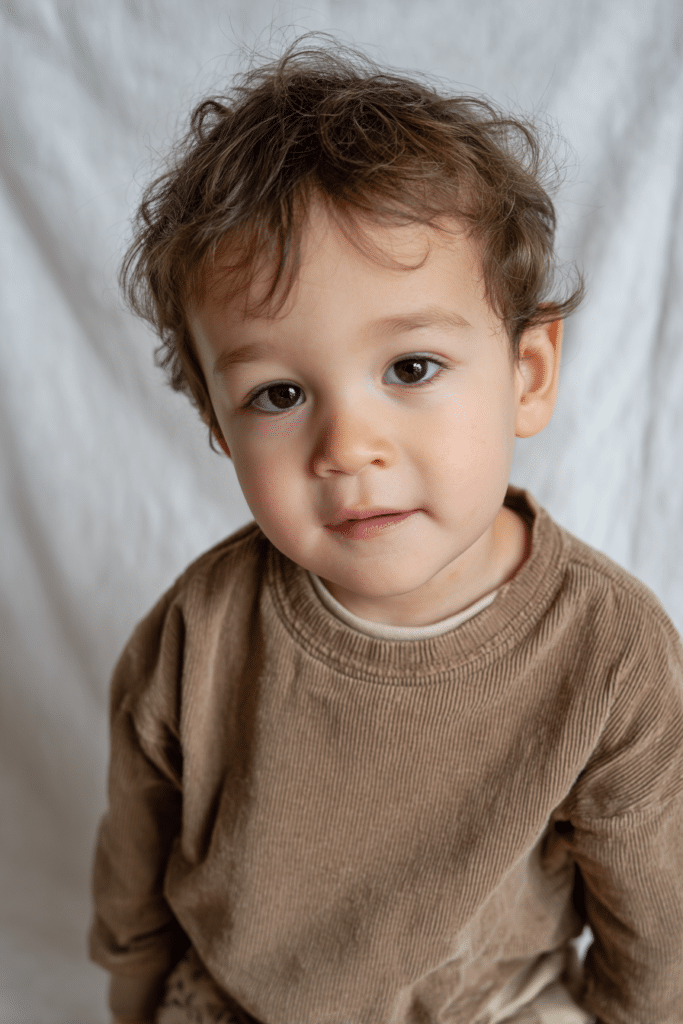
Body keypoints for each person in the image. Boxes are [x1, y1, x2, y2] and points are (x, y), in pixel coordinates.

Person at [89, 35, 683, 1024]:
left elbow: (656, 922)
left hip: (489, 1005)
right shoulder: (200, 632)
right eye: (277, 392)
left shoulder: (606, 650)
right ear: (217, 428)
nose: (346, 445)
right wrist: (138, 994)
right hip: (242, 1002)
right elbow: (135, 870)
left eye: (409, 367)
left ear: (526, 374)